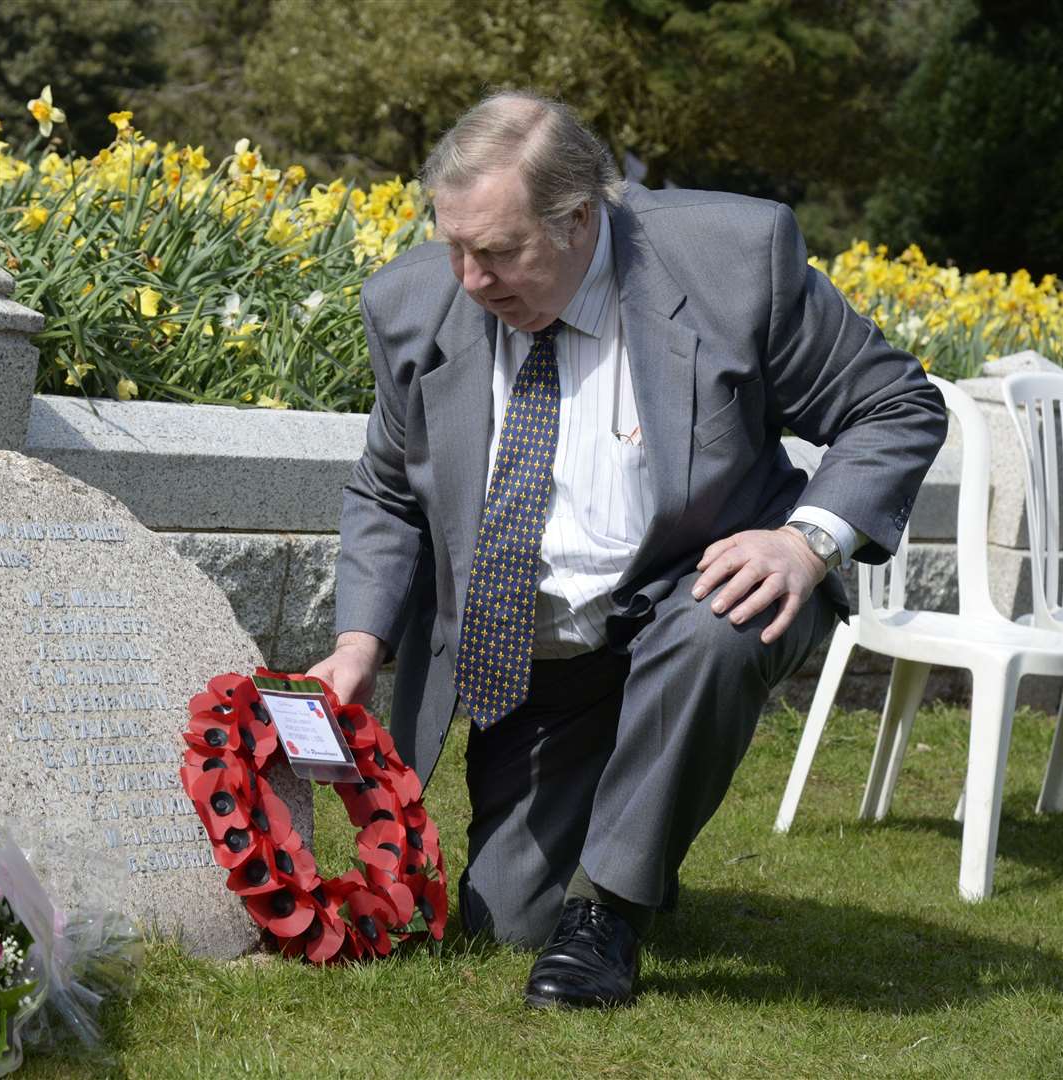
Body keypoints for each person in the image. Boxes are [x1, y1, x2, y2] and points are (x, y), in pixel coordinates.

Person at [308, 89, 946, 1009]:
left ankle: (609, 908)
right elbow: (385, 490)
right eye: (452, 244)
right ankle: (632, 829)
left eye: (495, 251)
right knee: (505, 919)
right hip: (543, 667)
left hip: (692, 601)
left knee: (719, 622)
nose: (469, 279)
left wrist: (806, 542)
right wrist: (359, 642)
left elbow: (893, 404)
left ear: (578, 218)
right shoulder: (412, 305)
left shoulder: (733, 261)